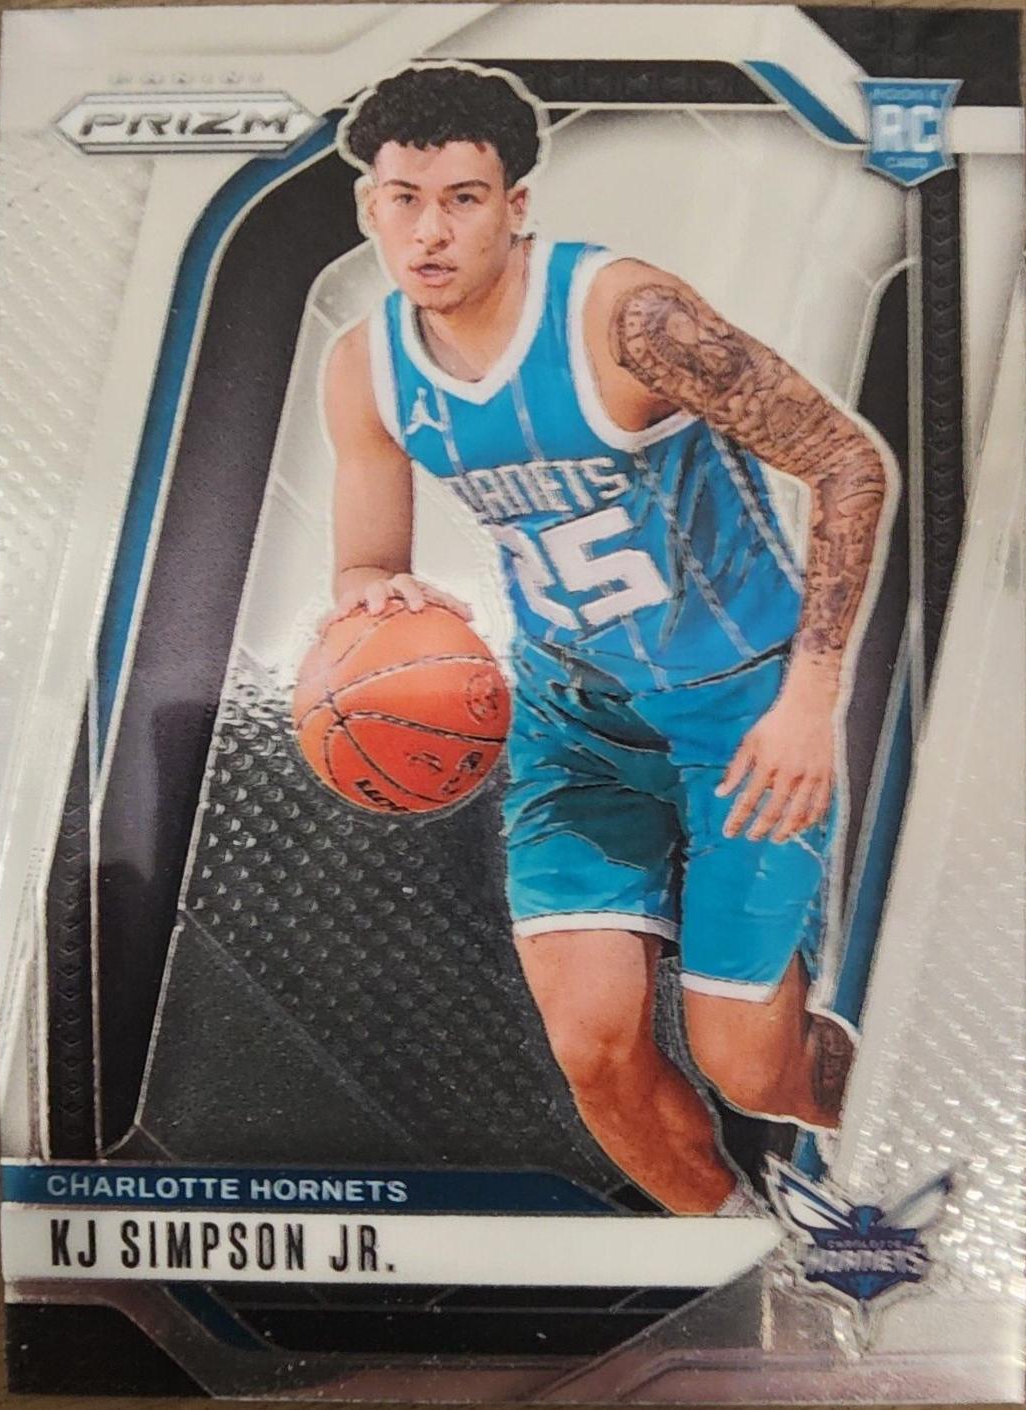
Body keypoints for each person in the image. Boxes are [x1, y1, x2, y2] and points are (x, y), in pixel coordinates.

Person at [321, 62, 893, 1214]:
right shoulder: (365, 366)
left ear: (516, 204)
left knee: (752, 1069)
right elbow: (366, 563)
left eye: (464, 198)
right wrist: (377, 601)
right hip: (573, 720)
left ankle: (934, 1117)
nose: (430, 231)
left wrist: (811, 697)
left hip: (741, 711)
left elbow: (847, 462)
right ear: (369, 206)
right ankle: (745, 1251)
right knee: (593, 1049)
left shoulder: (627, 318)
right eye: (404, 199)